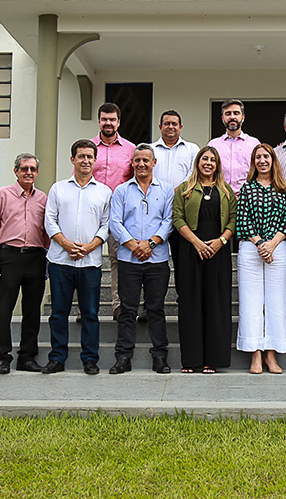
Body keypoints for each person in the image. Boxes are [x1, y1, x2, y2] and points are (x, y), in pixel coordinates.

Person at [42, 140, 112, 375]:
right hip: (61, 261)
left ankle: (90, 359)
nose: (85, 160)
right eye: (81, 156)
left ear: (95, 160)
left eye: (89, 156)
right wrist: (66, 244)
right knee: (59, 313)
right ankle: (57, 358)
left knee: (90, 314)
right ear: (73, 159)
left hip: (90, 263)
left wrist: (90, 247)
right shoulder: (58, 189)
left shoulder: (104, 192)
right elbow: (49, 220)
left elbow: (106, 225)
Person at [109, 144, 175, 375]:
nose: (142, 164)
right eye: (137, 160)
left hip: (156, 260)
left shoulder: (166, 191)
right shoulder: (121, 191)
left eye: (146, 160)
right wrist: (134, 245)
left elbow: (169, 220)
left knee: (155, 309)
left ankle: (160, 356)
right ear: (132, 163)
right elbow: (114, 222)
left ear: (154, 162)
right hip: (129, 259)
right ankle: (123, 357)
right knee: (127, 309)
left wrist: (151, 243)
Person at [173, 146, 237, 373]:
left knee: (216, 304)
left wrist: (221, 241)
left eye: (213, 159)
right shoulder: (184, 189)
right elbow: (177, 218)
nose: (208, 163)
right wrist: (196, 243)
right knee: (190, 303)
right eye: (204, 159)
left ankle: (213, 359)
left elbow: (232, 221)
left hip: (218, 252)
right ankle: (190, 359)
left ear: (217, 164)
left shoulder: (226, 191)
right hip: (191, 251)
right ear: (197, 162)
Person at [0, 153, 50, 375]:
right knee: (4, 310)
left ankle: (27, 357)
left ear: (37, 172)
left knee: (32, 310)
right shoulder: (2, 195)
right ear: (16, 171)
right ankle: (3, 357)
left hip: (36, 257)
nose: (28, 173)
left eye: (32, 169)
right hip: (9, 257)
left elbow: (47, 231)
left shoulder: (43, 198)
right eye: (24, 169)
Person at [236, 143, 286, 374]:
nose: (262, 160)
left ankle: (271, 354)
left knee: (275, 302)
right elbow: (242, 219)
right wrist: (260, 243)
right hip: (251, 247)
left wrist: (271, 244)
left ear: (273, 160)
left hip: (277, 247)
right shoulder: (247, 188)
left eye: (266, 157)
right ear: (254, 161)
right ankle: (255, 354)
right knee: (250, 302)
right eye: (258, 157)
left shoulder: (285, 189)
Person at [91, 102, 135, 321]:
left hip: (120, 213)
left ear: (119, 121)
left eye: (112, 119)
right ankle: (86, 307)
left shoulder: (130, 149)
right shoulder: (88, 147)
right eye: (104, 119)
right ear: (99, 120)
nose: (108, 123)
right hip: (92, 211)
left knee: (118, 259)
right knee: (88, 258)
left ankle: (118, 305)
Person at [208, 99, 260, 194]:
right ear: (223, 118)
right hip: (220, 197)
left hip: (247, 198)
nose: (232, 117)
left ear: (243, 117)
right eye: (228, 114)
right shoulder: (213, 145)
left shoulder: (254, 144)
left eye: (236, 113)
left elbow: (260, 173)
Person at [151, 110, 199, 189]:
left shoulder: (192, 149)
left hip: (183, 197)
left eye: (174, 124)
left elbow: (194, 173)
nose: (170, 127)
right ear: (160, 127)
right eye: (166, 124)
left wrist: (178, 191)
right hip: (155, 197)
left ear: (180, 127)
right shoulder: (150, 150)